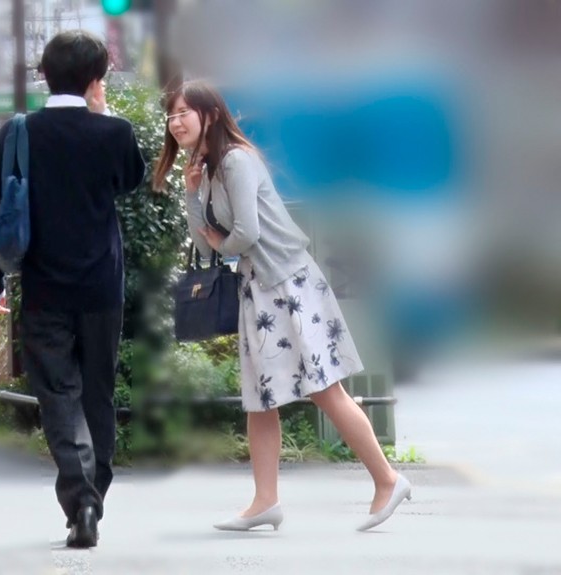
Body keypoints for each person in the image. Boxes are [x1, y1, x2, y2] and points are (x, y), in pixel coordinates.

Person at [153, 79, 411, 532]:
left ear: (210, 115)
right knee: (259, 399)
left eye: (183, 113)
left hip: (288, 283)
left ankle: (388, 479)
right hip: (258, 289)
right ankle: (265, 501)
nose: (175, 123)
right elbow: (206, 245)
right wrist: (192, 194)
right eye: (171, 115)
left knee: (325, 389)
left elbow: (245, 235)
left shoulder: (236, 160)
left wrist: (223, 243)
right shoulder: (208, 170)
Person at [0, 31, 146, 548]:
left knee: (59, 395)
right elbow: (131, 179)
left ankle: (81, 500)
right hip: (101, 287)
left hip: (44, 288)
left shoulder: (19, 133)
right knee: (97, 393)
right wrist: (104, 113)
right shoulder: (113, 132)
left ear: (44, 75)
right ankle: (92, 497)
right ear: (97, 79)